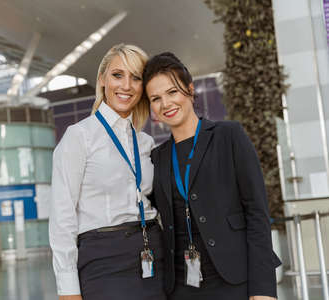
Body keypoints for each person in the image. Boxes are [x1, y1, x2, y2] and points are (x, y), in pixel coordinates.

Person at [143, 52, 281, 300]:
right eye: (156, 98)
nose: (166, 104)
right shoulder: (157, 157)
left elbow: (257, 213)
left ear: (190, 89)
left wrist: (263, 290)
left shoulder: (229, 136)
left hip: (234, 280)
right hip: (182, 287)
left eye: (172, 92)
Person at [49, 44, 166, 300]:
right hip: (103, 262)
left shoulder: (145, 143)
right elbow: (62, 218)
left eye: (136, 78)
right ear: (102, 79)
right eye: (117, 75)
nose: (126, 85)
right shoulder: (79, 137)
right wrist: (68, 290)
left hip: (153, 255)